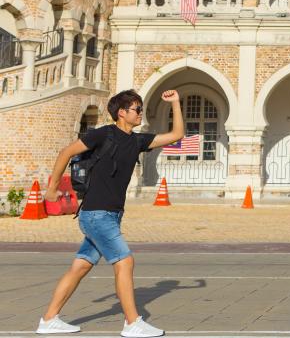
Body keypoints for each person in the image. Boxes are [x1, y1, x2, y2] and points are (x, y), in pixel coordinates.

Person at [37, 89, 186, 337]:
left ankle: (49, 319)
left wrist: (176, 103)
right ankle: (132, 322)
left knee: (80, 267)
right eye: (136, 109)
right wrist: (51, 189)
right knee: (125, 261)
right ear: (121, 112)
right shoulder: (102, 134)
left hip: (111, 215)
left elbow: (177, 135)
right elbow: (66, 152)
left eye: (140, 109)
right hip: (96, 214)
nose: (140, 113)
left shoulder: (137, 141)